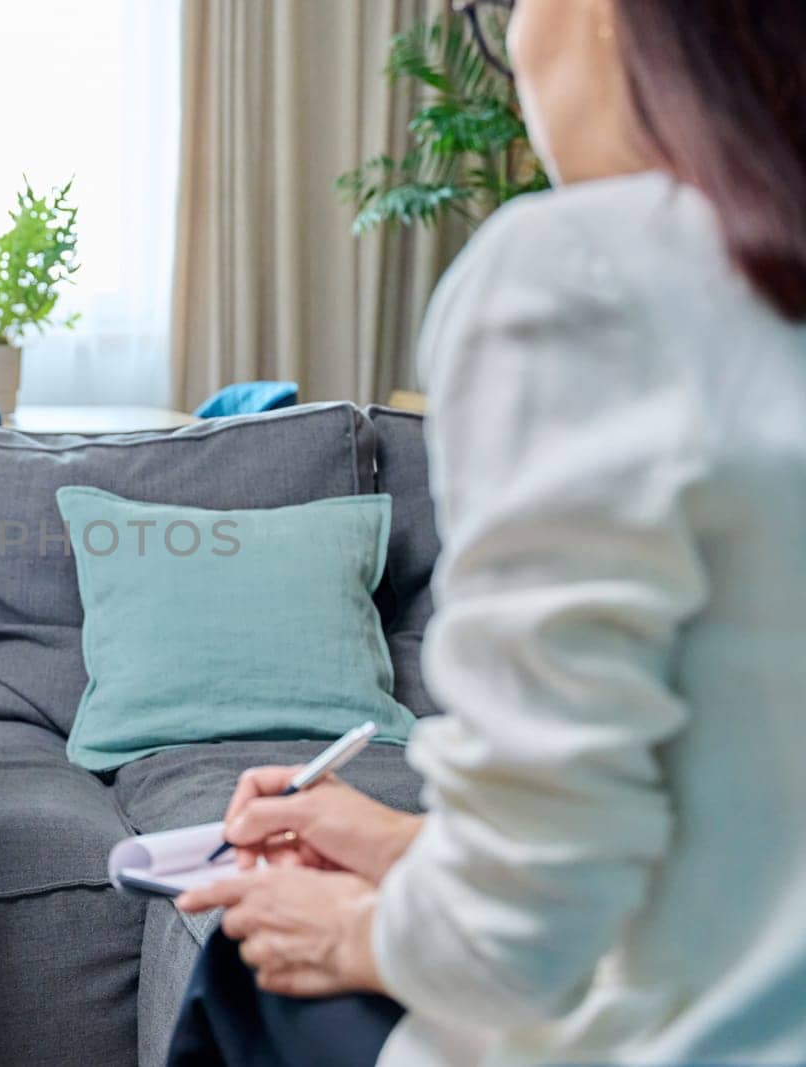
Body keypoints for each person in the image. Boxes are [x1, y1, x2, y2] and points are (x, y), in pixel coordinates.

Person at [168, 0, 806, 1063]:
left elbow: (514, 940)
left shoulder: (584, 272)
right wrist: (393, 841)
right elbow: (741, 831)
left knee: (251, 950)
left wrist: (353, 929)